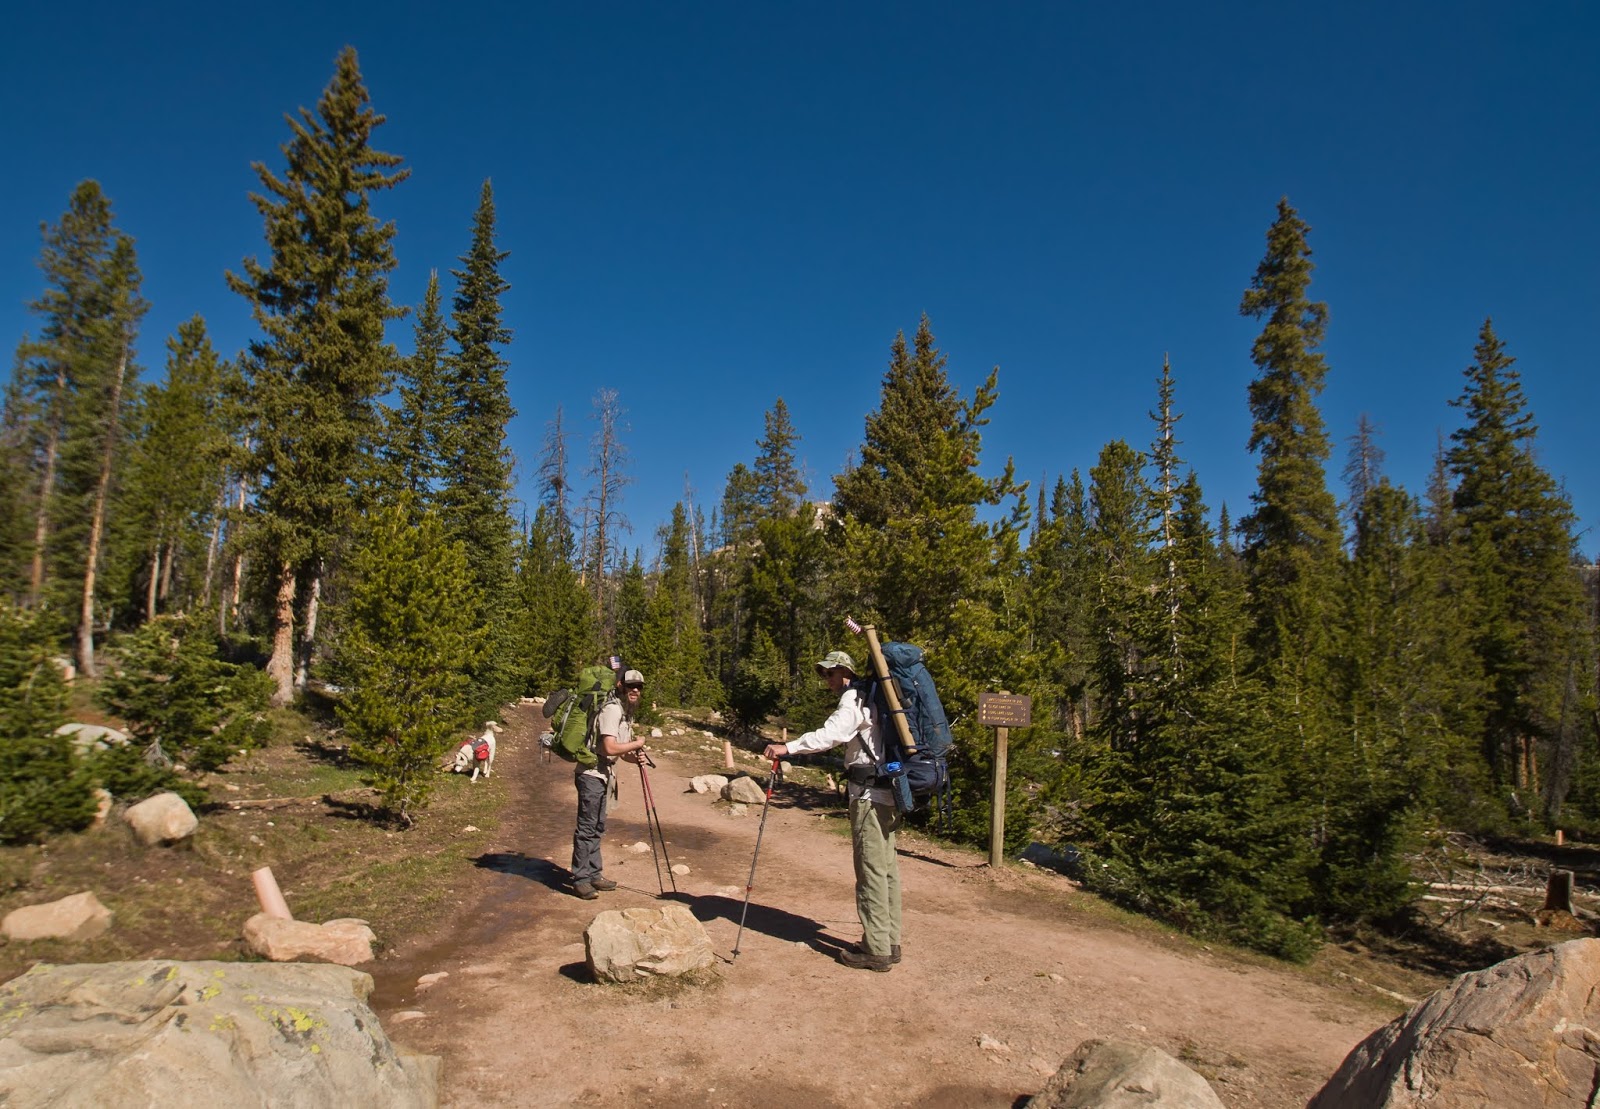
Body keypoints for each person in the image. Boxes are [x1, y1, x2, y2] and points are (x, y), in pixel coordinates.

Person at [763, 650, 902, 972]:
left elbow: (833, 735)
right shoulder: (874, 697)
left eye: (829, 673)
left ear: (845, 672)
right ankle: (889, 940)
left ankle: (876, 949)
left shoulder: (854, 697)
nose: (826, 680)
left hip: (869, 795)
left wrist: (789, 747)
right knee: (886, 869)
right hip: (890, 793)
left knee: (870, 871)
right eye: (823, 674)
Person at [571, 666, 648, 899]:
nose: (635, 690)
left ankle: (594, 874)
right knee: (587, 827)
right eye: (631, 685)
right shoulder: (613, 710)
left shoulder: (625, 712)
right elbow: (609, 747)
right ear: (620, 686)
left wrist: (636, 757)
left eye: (639, 687)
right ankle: (581, 879)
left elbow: (620, 752)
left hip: (604, 774)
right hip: (591, 774)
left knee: (597, 826)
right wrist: (636, 745)